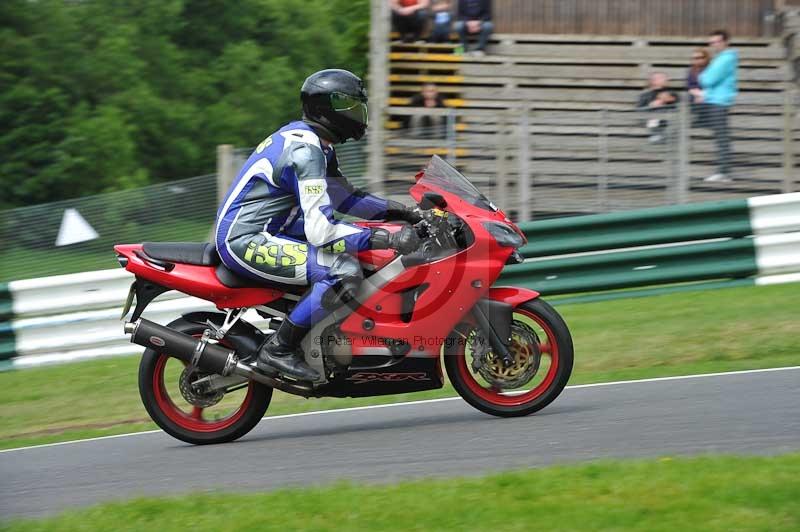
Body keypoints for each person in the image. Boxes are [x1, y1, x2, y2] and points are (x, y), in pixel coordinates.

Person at [215, 69, 422, 381]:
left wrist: (405, 212)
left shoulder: (317, 144)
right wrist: (386, 239)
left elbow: (346, 199)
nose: (357, 114)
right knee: (343, 270)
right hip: (246, 239)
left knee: (354, 251)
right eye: (349, 107)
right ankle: (279, 349)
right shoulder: (306, 151)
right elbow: (321, 232)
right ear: (326, 110)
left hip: (275, 227)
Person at [696, 29, 738, 182]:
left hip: (719, 102)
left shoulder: (725, 59)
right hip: (714, 100)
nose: (714, 45)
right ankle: (723, 171)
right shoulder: (719, 58)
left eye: (717, 41)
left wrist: (702, 76)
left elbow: (708, 80)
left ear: (726, 42)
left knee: (721, 137)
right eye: (712, 42)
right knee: (720, 136)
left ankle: (724, 172)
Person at [636, 72, 678, 143]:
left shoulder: (672, 93)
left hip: (668, 120)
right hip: (649, 120)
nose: (666, 79)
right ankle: (657, 135)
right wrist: (650, 106)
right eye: (662, 78)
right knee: (655, 113)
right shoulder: (645, 95)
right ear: (653, 81)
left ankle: (659, 136)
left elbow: (676, 104)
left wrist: (663, 100)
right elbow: (639, 111)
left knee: (662, 112)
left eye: (665, 78)